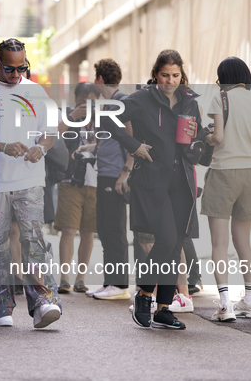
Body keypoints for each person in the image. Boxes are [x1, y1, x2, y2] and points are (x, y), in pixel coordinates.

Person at [0, 38, 61, 328]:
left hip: (29, 180)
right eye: (10, 69)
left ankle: (42, 302)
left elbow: (50, 132)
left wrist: (40, 148)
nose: (16, 75)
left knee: (33, 241)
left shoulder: (35, 91)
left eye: (22, 68)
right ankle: (1, 304)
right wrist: (2, 146)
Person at [103, 49, 205, 329]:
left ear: (182, 74)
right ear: (155, 74)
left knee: (173, 246)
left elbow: (199, 138)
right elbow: (107, 119)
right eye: (165, 75)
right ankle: (144, 294)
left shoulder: (189, 101)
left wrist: (201, 142)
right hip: (151, 180)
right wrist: (134, 146)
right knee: (168, 239)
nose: (170, 81)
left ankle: (163, 308)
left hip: (181, 180)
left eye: (175, 75)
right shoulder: (141, 99)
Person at [201, 56, 251, 322]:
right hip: (250, 175)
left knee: (219, 243)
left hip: (223, 172)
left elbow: (217, 137)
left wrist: (205, 137)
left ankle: (225, 304)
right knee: (244, 242)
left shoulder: (222, 98)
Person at [84, 59, 133, 300]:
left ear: (100, 79)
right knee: (104, 229)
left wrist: (125, 174)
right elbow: (110, 141)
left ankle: (121, 285)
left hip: (115, 174)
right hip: (104, 172)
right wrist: (91, 148)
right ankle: (109, 282)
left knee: (114, 230)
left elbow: (132, 139)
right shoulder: (110, 105)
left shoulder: (121, 103)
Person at [55, 83, 99, 294]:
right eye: (83, 100)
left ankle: (80, 279)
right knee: (68, 230)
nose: (86, 105)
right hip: (70, 179)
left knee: (88, 232)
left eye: (90, 101)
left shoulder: (104, 117)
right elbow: (53, 136)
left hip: (96, 180)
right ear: (76, 98)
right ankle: (64, 278)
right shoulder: (66, 114)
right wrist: (72, 116)